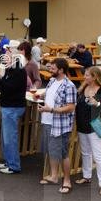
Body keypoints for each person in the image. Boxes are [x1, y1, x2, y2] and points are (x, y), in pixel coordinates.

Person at [37, 58, 77, 193]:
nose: (50, 70)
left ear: (61, 70)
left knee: (63, 153)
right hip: (47, 121)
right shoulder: (52, 81)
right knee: (51, 151)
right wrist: (40, 97)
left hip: (60, 125)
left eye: (53, 68)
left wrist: (51, 110)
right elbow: (48, 96)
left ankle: (67, 181)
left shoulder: (69, 86)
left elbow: (71, 107)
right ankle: (54, 176)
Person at [0, 42, 27, 174]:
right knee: (7, 137)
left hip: (13, 107)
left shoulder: (18, 70)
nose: (5, 55)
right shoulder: (11, 69)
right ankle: (9, 162)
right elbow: (3, 87)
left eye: (8, 52)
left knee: (10, 138)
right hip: (9, 106)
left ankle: (13, 166)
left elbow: (7, 88)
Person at [74, 66, 101, 196]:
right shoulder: (83, 88)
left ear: (94, 77)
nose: (85, 77)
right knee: (85, 153)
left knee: (98, 155)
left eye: (87, 75)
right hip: (82, 125)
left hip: (95, 127)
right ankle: (87, 176)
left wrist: (97, 103)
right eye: (85, 75)